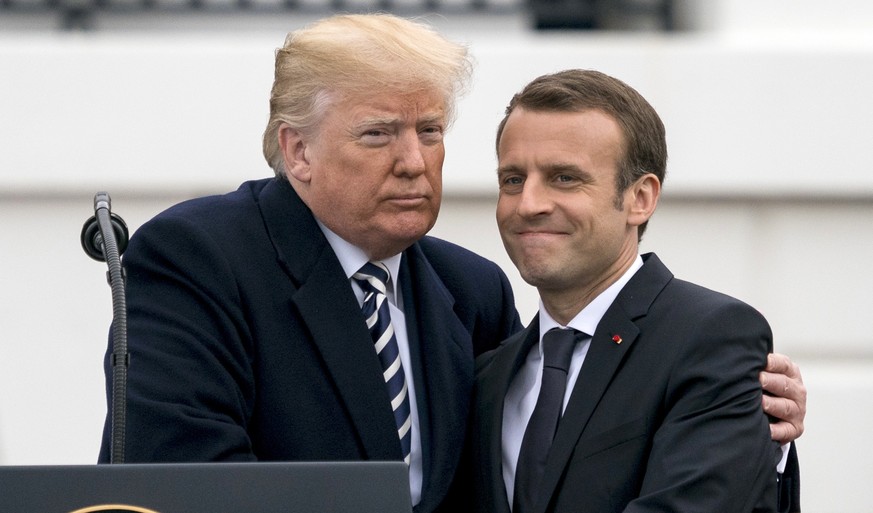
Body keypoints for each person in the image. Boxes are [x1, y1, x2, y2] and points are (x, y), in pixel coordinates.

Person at [97, 14, 804, 513]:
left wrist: (752, 434)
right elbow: (187, 485)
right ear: (297, 150)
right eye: (378, 133)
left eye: (429, 131)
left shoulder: (469, 289)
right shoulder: (197, 256)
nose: (413, 161)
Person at [468, 69, 801, 513]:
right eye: (512, 180)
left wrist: (758, 447)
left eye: (564, 178)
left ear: (640, 198)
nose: (528, 204)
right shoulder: (490, 376)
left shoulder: (711, 338)